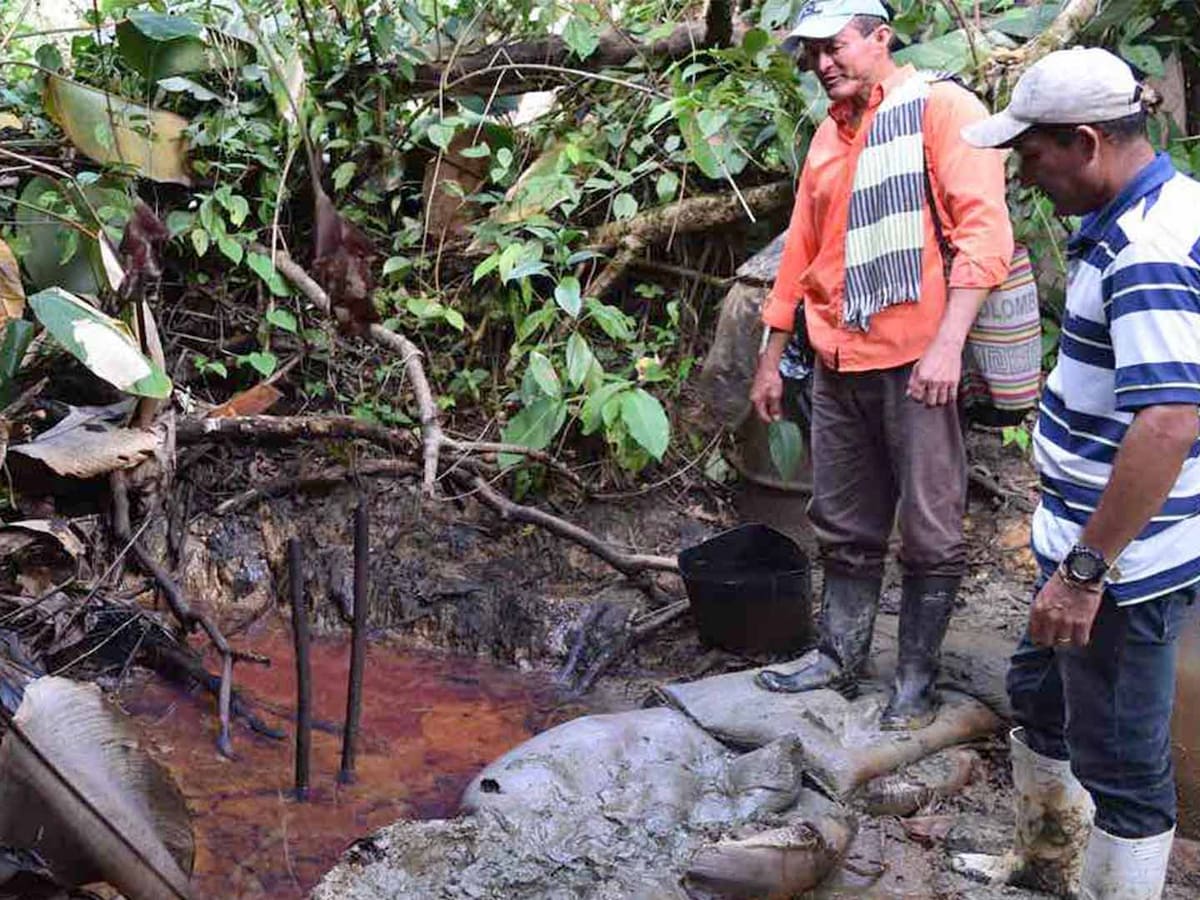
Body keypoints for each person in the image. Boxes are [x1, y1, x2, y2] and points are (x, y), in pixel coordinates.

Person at [950, 47, 1200, 900]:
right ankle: (1045, 864)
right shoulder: (1165, 206)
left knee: (1121, 757)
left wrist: (1087, 572)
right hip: (1086, 542)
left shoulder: (1147, 250)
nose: (1024, 174)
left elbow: (1168, 421)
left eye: (1033, 153)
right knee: (1040, 694)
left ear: (1087, 141)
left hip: (1122, 564)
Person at [749, 0, 1013, 730]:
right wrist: (772, 358)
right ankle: (839, 655)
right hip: (837, 356)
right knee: (843, 518)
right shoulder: (827, 137)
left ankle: (916, 681)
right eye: (811, 54)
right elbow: (799, 252)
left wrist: (950, 345)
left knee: (930, 527)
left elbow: (985, 234)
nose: (822, 64)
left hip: (918, 358)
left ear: (879, 38)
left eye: (833, 47)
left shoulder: (941, 109)